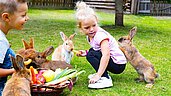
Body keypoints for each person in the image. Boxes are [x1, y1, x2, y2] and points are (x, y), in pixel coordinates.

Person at [75, 1, 127, 89]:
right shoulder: (91, 36)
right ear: (81, 29)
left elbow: (106, 55)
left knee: (91, 55)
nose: (91, 29)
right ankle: (102, 74)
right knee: (90, 52)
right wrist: (86, 52)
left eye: (94, 25)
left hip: (118, 64)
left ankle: (105, 78)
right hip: (113, 61)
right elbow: (97, 49)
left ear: (97, 22)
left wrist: (98, 75)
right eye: (87, 28)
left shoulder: (100, 35)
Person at [0, 0, 29, 95]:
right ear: (6, 17)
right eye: (23, 15)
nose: (27, 18)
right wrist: (15, 70)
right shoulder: (1, 41)